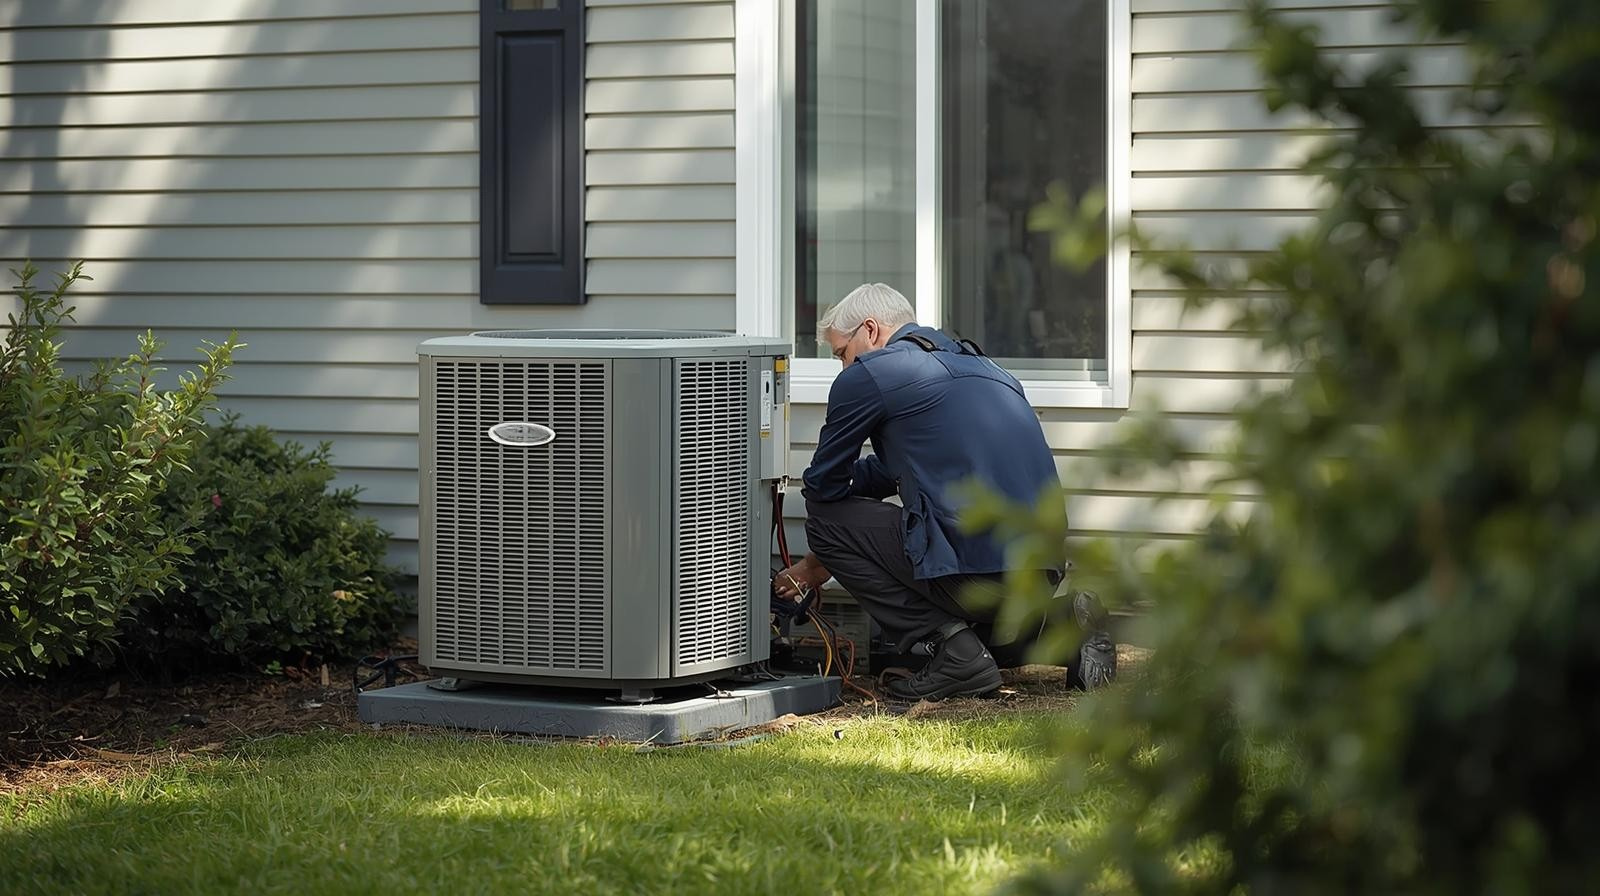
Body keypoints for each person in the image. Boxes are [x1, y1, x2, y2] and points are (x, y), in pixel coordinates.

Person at [774, 283, 1064, 700]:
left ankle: (955, 651)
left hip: (976, 582)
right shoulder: (988, 368)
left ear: (870, 331)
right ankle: (1061, 622)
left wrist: (819, 560)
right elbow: (895, 469)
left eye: (841, 353)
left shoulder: (870, 375)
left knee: (825, 521)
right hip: (1041, 576)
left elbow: (824, 487)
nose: (843, 368)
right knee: (996, 640)